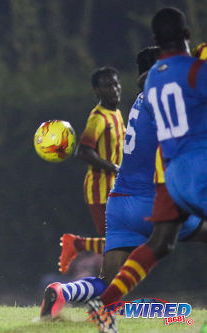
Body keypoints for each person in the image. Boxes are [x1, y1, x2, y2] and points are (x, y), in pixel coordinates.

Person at [41, 47, 207, 324]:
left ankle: (62, 291)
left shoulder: (140, 102)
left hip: (119, 203)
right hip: (149, 202)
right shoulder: (165, 100)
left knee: (109, 284)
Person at [88, 7, 207, 332]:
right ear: (186, 35)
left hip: (134, 194)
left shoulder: (152, 82)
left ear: (156, 40)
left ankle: (103, 305)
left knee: (159, 245)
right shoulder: (194, 72)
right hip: (182, 179)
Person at [58, 67, 125, 274]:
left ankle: (78, 244)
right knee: (117, 247)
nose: (114, 89)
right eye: (108, 86)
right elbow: (83, 152)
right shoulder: (98, 118)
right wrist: (114, 168)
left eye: (116, 84)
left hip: (119, 189)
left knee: (129, 242)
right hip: (101, 192)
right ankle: (107, 301)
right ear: (97, 91)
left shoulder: (117, 113)